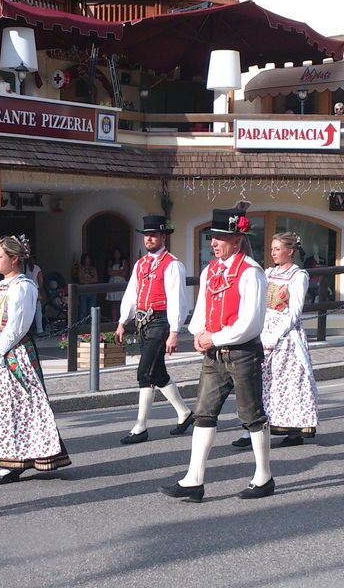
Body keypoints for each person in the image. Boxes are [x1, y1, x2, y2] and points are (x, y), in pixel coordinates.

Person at [160, 203, 274, 502]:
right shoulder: (210, 270)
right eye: (212, 236)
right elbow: (200, 311)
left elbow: (251, 323)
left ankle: (264, 476)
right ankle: (193, 479)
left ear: (237, 240)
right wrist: (197, 333)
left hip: (241, 353)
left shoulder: (252, 272)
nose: (214, 242)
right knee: (203, 414)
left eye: (220, 237)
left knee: (251, 415)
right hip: (214, 354)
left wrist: (215, 337)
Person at [0, 235, 71, 485]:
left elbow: (17, 327)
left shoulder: (24, 286)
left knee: (20, 406)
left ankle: (18, 461)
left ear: (14, 259)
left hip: (15, 352)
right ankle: (9, 456)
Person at [115, 215, 194, 445]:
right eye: (146, 235)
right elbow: (131, 293)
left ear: (163, 237)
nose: (149, 238)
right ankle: (184, 413)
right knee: (157, 373)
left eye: (153, 234)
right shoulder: (141, 264)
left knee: (144, 372)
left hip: (161, 321)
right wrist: (122, 321)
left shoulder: (173, 264)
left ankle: (140, 427)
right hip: (142, 322)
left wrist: (175, 331)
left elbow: (178, 299)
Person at [251, 231, 318, 447]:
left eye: (277, 249)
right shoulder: (269, 272)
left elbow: (294, 311)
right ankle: (257, 427)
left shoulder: (298, 276)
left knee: (287, 382)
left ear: (290, 251)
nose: (273, 253)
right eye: (272, 249)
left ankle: (293, 429)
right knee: (264, 382)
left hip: (286, 335)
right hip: (264, 328)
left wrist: (274, 336)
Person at [105, 247, 128, 322]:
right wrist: (119, 272)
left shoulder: (124, 262)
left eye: (118, 253)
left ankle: (121, 320)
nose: (116, 255)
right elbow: (109, 272)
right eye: (115, 253)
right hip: (112, 282)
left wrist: (114, 272)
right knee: (114, 303)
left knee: (121, 302)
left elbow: (125, 273)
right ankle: (114, 321)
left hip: (121, 282)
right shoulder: (111, 262)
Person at [75, 252, 99, 319]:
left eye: (89, 259)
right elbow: (80, 280)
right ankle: (83, 326)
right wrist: (91, 280)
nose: (88, 260)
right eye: (86, 259)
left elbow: (96, 279)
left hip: (92, 291)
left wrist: (87, 280)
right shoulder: (81, 269)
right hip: (83, 291)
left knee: (92, 309)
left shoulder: (93, 269)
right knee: (83, 310)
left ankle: (91, 326)